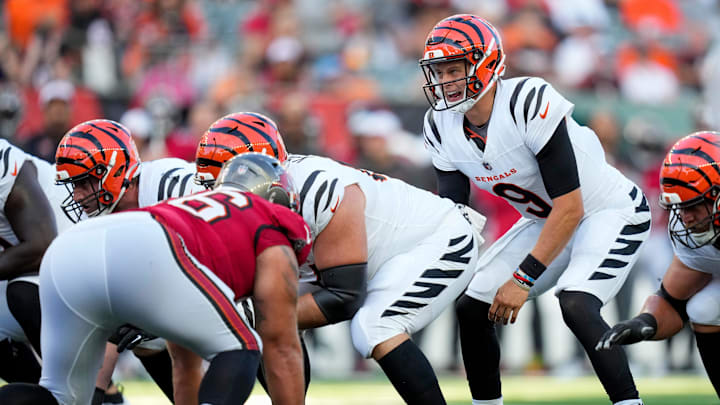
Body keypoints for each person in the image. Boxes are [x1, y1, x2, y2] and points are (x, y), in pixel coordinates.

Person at [418, 14, 650, 405]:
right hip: (546, 220)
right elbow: (454, 213)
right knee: (472, 305)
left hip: (608, 211)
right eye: (438, 71)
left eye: (454, 69)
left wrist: (522, 279)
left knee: (576, 301)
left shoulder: (528, 101)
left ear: (486, 64)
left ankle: (630, 402)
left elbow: (571, 206)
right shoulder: (440, 126)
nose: (444, 82)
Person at [195, 111, 487, 404]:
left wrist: (258, 321)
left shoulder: (319, 188)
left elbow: (343, 296)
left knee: (373, 326)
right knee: (260, 313)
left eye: (235, 181)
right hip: (373, 255)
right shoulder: (271, 191)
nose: (223, 200)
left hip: (437, 237)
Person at [0, 153, 310, 405]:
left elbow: (185, 366)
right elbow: (281, 347)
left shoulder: (196, 212)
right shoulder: (270, 229)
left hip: (70, 247)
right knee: (243, 346)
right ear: (280, 200)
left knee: (61, 398)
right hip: (151, 245)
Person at [53, 118, 205, 403]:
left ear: (114, 171)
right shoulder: (104, 220)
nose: (78, 196)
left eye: (84, 182)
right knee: (133, 334)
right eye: (73, 185)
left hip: (234, 281)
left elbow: (212, 258)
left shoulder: (170, 185)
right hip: (186, 296)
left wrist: (156, 314)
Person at [597, 131, 720, 398]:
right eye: (681, 208)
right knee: (704, 307)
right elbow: (673, 300)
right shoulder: (693, 232)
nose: (686, 219)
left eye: (694, 205)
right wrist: (643, 323)